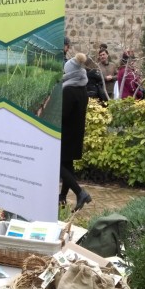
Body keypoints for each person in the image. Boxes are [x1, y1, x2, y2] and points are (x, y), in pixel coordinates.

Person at [59, 53, 92, 212]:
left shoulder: (68, 90)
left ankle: (80, 193)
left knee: (57, 164)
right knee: (67, 165)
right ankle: (62, 197)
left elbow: (63, 115)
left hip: (66, 134)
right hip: (76, 133)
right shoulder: (82, 87)